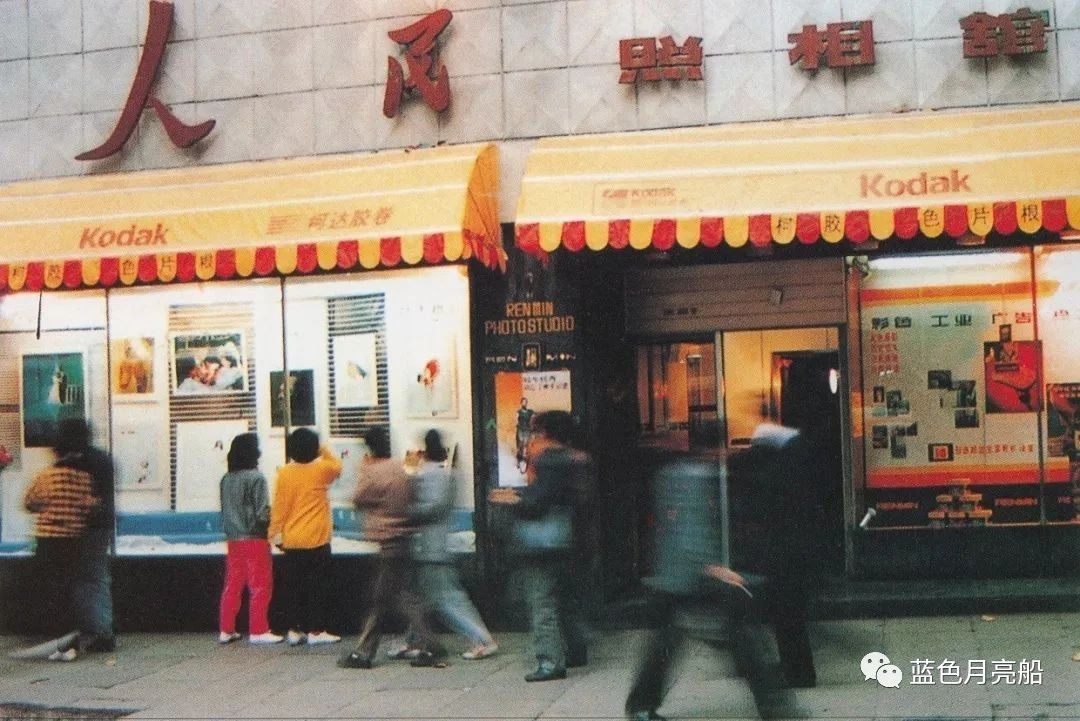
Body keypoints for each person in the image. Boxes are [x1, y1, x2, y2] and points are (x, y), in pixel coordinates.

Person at [624, 453, 785, 721]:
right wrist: (715, 569)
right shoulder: (696, 477)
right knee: (740, 637)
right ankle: (772, 704)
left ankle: (641, 705)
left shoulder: (670, 474)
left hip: (673, 575)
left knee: (668, 643)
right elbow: (691, 534)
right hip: (691, 578)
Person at [489, 410, 588, 682]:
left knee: (542, 602)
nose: (533, 437)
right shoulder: (574, 458)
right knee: (565, 599)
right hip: (566, 538)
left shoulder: (548, 459)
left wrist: (513, 500)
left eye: (536, 431)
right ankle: (576, 651)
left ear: (545, 432)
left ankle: (550, 661)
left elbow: (537, 503)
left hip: (543, 543)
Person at [339, 426, 444, 669]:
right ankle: (428, 644)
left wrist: (364, 470)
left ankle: (364, 653)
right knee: (400, 596)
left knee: (382, 600)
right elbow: (412, 495)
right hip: (403, 538)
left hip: (387, 541)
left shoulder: (371, 471)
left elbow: (358, 498)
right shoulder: (401, 468)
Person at [729, 422, 821, 690]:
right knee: (791, 618)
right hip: (795, 555)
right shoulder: (794, 466)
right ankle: (798, 671)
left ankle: (798, 673)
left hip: (785, 556)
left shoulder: (777, 473)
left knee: (787, 618)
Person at [23, 419, 116, 660]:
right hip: (91, 529)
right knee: (94, 580)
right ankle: (99, 631)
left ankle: (88, 633)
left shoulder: (63, 469)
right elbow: (95, 501)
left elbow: (31, 502)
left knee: (79, 582)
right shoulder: (101, 460)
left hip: (70, 535)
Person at [401, 429, 498, 661]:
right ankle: (414, 640)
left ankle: (482, 639)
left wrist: (406, 511)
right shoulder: (448, 474)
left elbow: (431, 507)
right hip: (439, 545)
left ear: (424, 451)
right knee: (425, 598)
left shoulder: (431, 476)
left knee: (447, 600)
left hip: (431, 548)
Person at [268, 428, 342, 647]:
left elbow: (280, 506)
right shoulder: (322, 469)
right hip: (317, 538)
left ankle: (294, 630)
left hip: (292, 539)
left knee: (294, 588)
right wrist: (323, 448)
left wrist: (274, 534)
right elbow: (337, 466)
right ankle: (316, 631)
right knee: (318, 587)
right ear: (314, 448)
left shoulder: (284, 473)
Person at [218, 433, 281, 645]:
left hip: (233, 539)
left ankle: (226, 629)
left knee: (233, 584)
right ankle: (259, 629)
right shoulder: (257, 478)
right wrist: (270, 528)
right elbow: (262, 513)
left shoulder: (226, 479)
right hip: (254, 538)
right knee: (260, 584)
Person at [515, 398, 534, 473]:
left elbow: (533, 418)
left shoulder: (530, 412)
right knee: (520, 445)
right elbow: (516, 420)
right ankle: (519, 461)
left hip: (527, 430)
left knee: (526, 446)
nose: (524, 404)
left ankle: (526, 462)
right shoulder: (518, 412)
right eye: (523, 402)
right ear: (521, 403)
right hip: (520, 430)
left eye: (525, 402)